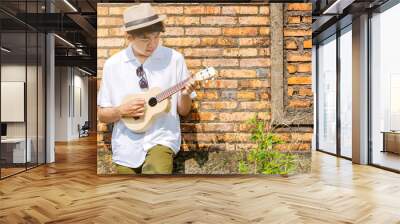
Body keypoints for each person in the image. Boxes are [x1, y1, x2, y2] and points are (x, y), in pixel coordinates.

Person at [97, 3, 196, 174]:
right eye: (145, 38)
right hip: (126, 145)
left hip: (162, 138)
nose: (152, 44)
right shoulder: (113, 65)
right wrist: (121, 111)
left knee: (155, 186)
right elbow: (102, 115)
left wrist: (186, 94)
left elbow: (184, 110)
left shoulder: (174, 60)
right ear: (129, 37)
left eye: (156, 37)